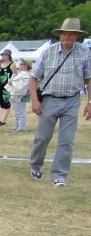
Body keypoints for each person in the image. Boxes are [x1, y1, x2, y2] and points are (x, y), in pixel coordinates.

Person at [28, 18, 91, 187]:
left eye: (71, 34)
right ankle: (35, 165)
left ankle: (59, 174)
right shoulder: (48, 52)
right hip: (49, 99)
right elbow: (33, 78)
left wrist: (89, 102)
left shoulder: (85, 52)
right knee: (42, 137)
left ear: (77, 36)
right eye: (64, 33)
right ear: (60, 34)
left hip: (72, 100)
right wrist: (35, 100)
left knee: (67, 141)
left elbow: (89, 79)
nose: (66, 37)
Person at [8, 59, 32, 132]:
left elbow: (21, 86)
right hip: (16, 95)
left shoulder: (26, 75)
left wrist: (12, 83)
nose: (19, 65)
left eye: (21, 64)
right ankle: (17, 125)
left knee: (21, 112)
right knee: (17, 112)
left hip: (20, 96)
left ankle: (21, 127)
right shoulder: (21, 74)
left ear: (26, 66)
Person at [0, 49, 14, 126]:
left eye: (4, 55)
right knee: (1, 102)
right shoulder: (2, 64)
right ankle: (2, 119)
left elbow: (15, 74)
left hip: (7, 86)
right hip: (0, 85)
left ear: (8, 55)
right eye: (2, 55)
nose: (3, 56)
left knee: (5, 102)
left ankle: (3, 120)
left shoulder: (12, 64)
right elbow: (1, 73)